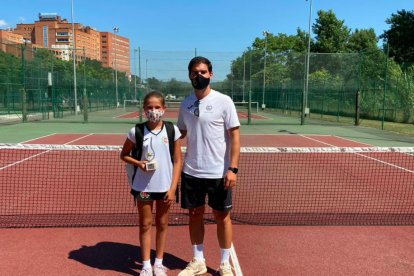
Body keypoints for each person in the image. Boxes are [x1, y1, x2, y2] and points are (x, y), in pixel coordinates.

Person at [177, 57, 241, 276]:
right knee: (195, 214)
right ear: (189, 75)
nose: (199, 76)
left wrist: (232, 169)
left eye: (203, 72)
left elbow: (235, 136)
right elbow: (181, 133)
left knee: (222, 217)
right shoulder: (185, 103)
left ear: (211, 74)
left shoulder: (224, 101)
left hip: (218, 172)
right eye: (195, 72)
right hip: (191, 171)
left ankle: (224, 263)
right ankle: (198, 261)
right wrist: (157, 134)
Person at [120, 91, 182, 276]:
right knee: (145, 224)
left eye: (157, 107)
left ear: (164, 109)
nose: (153, 111)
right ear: (144, 109)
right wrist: (139, 163)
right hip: (143, 187)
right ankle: (146, 265)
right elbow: (123, 155)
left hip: (165, 188)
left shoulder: (172, 130)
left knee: (162, 224)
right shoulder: (136, 131)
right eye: (149, 107)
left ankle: (159, 263)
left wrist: (172, 188)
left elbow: (178, 161)